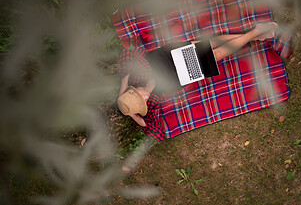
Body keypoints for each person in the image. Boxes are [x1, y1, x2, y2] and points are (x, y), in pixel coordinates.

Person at [117, 22, 278, 127]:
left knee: (211, 44)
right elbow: (149, 126)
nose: (146, 98)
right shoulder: (151, 102)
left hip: (172, 55)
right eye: (143, 103)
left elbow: (126, 56)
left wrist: (122, 89)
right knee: (219, 53)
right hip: (184, 73)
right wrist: (132, 114)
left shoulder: (135, 73)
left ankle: (256, 33)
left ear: (133, 88)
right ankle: (256, 34)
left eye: (140, 96)